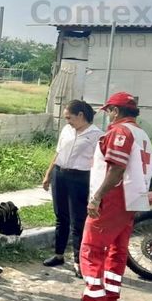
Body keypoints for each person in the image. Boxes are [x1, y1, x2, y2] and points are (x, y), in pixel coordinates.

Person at [67, 92, 152, 301]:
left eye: (108, 112)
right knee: (117, 250)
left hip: (114, 197)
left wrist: (96, 198)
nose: (107, 116)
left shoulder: (119, 132)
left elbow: (116, 168)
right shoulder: (141, 134)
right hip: (133, 199)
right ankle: (110, 298)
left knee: (91, 249)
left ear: (115, 111)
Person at [41, 100, 102, 277]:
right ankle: (59, 254)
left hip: (80, 178)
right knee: (61, 216)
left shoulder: (96, 135)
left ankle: (79, 261)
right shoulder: (67, 130)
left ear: (81, 115)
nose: (67, 121)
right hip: (60, 175)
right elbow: (58, 153)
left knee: (78, 221)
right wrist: (48, 174)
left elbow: (99, 164)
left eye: (69, 117)